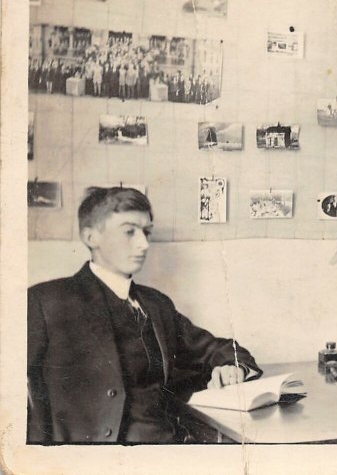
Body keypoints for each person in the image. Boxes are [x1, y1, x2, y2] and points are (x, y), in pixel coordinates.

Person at [27, 187, 263, 443]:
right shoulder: (47, 301)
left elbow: (219, 349)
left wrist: (233, 367)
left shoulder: (156, 304)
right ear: (91, 236)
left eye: (146, 232)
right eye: (129, 232)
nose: (143, 243)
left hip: (169, 446)